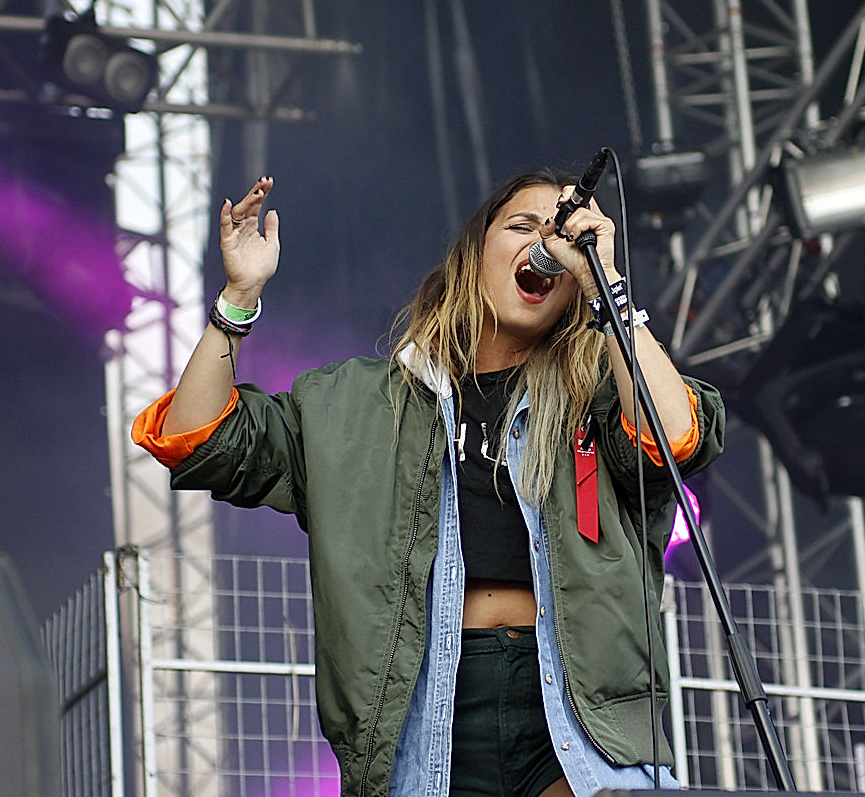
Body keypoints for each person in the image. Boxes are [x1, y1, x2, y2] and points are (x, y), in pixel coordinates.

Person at [132, 169, 725, 797]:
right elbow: (196, 440)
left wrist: (607, 288)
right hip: (424, 715)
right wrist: (238, 297)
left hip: (580, 717)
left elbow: (676, 436)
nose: (545, 244)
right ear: (473, 256)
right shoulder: (358, 404)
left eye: (561, 235)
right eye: (523, 226)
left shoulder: (604, 393)